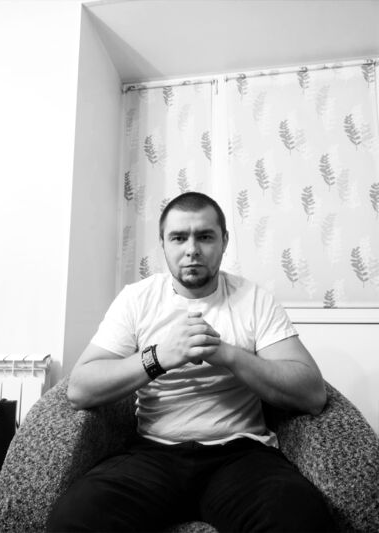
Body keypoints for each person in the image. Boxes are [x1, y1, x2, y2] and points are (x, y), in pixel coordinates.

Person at [47, 192, 335, 533]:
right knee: (74, 518)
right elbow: (80, 389)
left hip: (240, 455)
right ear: (163, 244)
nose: (192, 249)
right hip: (153, 453)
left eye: (205, 236)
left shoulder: (254, 300)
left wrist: (228, 355)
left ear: (224, 241)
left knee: (300, 518)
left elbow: (312, 394)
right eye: (179, 237)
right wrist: (159, 357)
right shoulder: (137, 299)